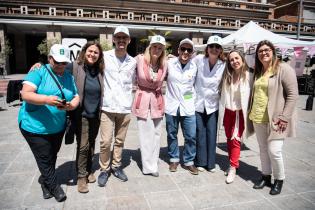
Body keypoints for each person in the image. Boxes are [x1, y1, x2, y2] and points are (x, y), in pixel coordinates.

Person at [18, 44, 79, 202]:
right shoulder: (38, 71)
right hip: (34, 126)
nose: (60, 66)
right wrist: (46, 99)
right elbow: (25, 94)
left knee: (52, 155)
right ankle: (54, 187)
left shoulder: (68, 76)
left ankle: (45, 183)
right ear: (49, 58)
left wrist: (72, 105)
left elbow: (76, 95)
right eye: (56, 61)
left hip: (57, 126)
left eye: (64, 62)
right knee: (44, 157)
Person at [249, 40, 298, 195]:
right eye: (260, 51)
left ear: (273, 51)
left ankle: (279, 179)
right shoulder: (259, 71)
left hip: (276, 119)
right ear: (257, 55)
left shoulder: (283, 68)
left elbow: (293, 95)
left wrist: (285, 117)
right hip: (258, 116)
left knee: (274, 150)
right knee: (263, 149)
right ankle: (265, 176)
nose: (264, 53)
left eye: (266, 49)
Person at [97, 25, 137, 187]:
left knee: (120, 141)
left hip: (125, 107)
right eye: (118, 37)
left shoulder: (133, 61)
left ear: (128, 40)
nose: (121, 40)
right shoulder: (104, 56)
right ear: (113, 39)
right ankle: (104, 169)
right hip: (107, 106)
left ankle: (116, 166)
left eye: (124, 38)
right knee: (106, 141)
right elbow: (84, 62)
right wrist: (42, 65)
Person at [68, 41, 104, 193]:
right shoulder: (75, 66)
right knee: (82, 145)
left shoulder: (100, 70)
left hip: (95, 114)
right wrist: (39, 65)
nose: (92, 54)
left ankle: (88, 170)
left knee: (91, 143)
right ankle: (81, 177)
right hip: (81, 113)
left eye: (96, 52)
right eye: (90, 51)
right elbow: (57, 68)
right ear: (84, 51)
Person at [132, 35, 167, 177]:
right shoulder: (139, 60)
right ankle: (148, 167)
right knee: (146, 135)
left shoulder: (165, 64)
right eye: (154, 47)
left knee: (157, 134)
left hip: (157, 101)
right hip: (143, 99)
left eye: (160, 48)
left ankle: (154, 163)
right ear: (150, 47)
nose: (157, 50)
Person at [219, 49, 254, 184]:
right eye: (231, 59)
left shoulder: (249, 76)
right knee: (229, 138)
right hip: (228, 111)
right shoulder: (227, 75)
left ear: (242, 59)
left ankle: (233, 167)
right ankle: (233, 162)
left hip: (240, 113)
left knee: (235, 140)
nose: (234, 61)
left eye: (237, 58)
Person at [165, 38, 198, 175]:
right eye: (183, 49)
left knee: (190, 135)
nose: (185, 52)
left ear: (192, 53)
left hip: (188, 106)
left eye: (189, 50)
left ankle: (189, 161)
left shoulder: (195, 66)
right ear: (178, 50)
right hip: (172, 104)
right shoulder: (169, 63)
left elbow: (196, 85)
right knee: (172, 134)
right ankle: (174, 159)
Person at [194, 35, 225, 172]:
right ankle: (200, 162)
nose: (214, 49)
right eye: (211, 46)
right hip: (198, 103)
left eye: (217, 47)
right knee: (200, 132)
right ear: (207, 48)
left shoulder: (223, 65)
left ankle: (211, 164)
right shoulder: (198, 60)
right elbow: (184, 62)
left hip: (213, 105)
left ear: (220, 50)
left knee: (212, 133)